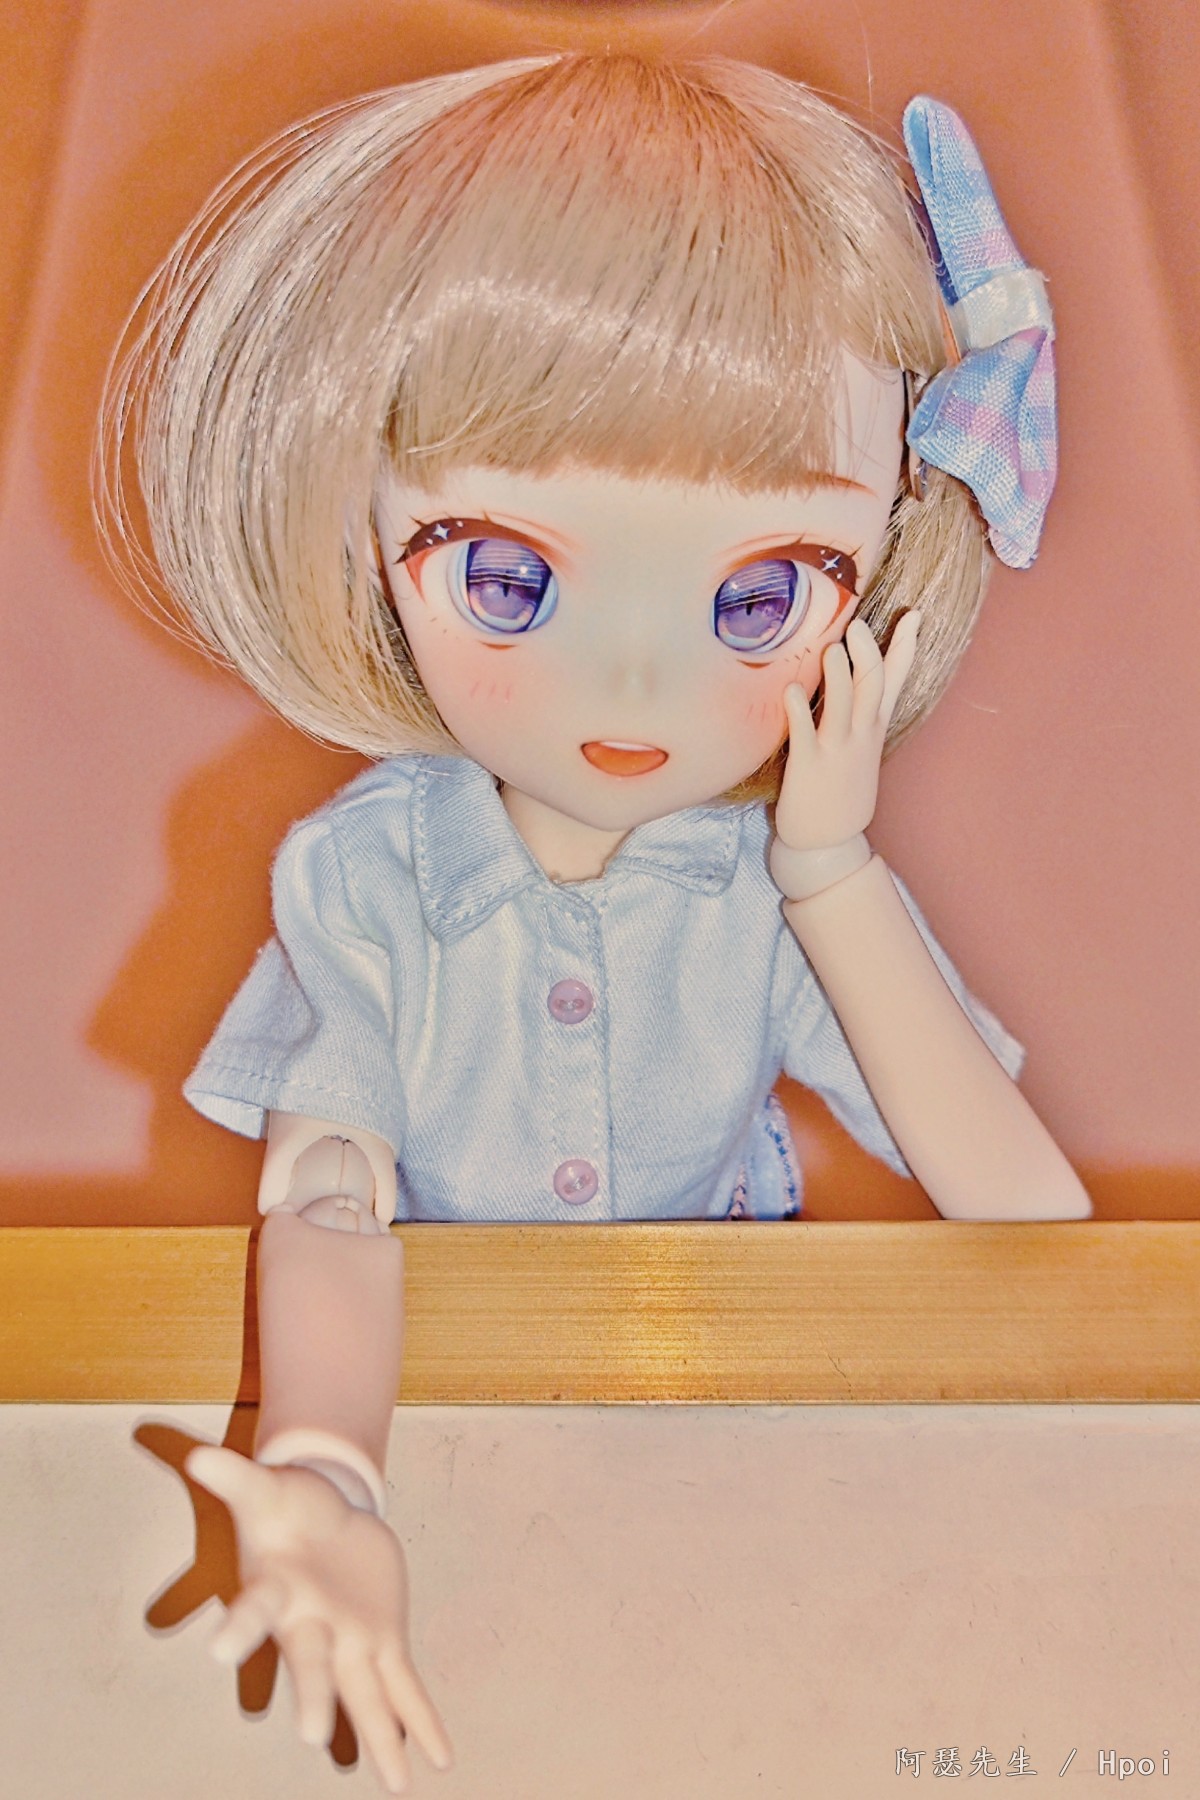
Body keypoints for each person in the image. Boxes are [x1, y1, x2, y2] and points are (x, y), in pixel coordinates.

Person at [97, 53, 1090, 1791]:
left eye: (759, 592)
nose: (632, 680)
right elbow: (329, 1190)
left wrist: (829, 876)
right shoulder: (368, 879)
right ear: (366, 536)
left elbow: (1027, 1214)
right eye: (512, 577)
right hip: (450, 1443)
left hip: (726, 1463)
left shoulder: (768, 889)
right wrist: (325, 1466)